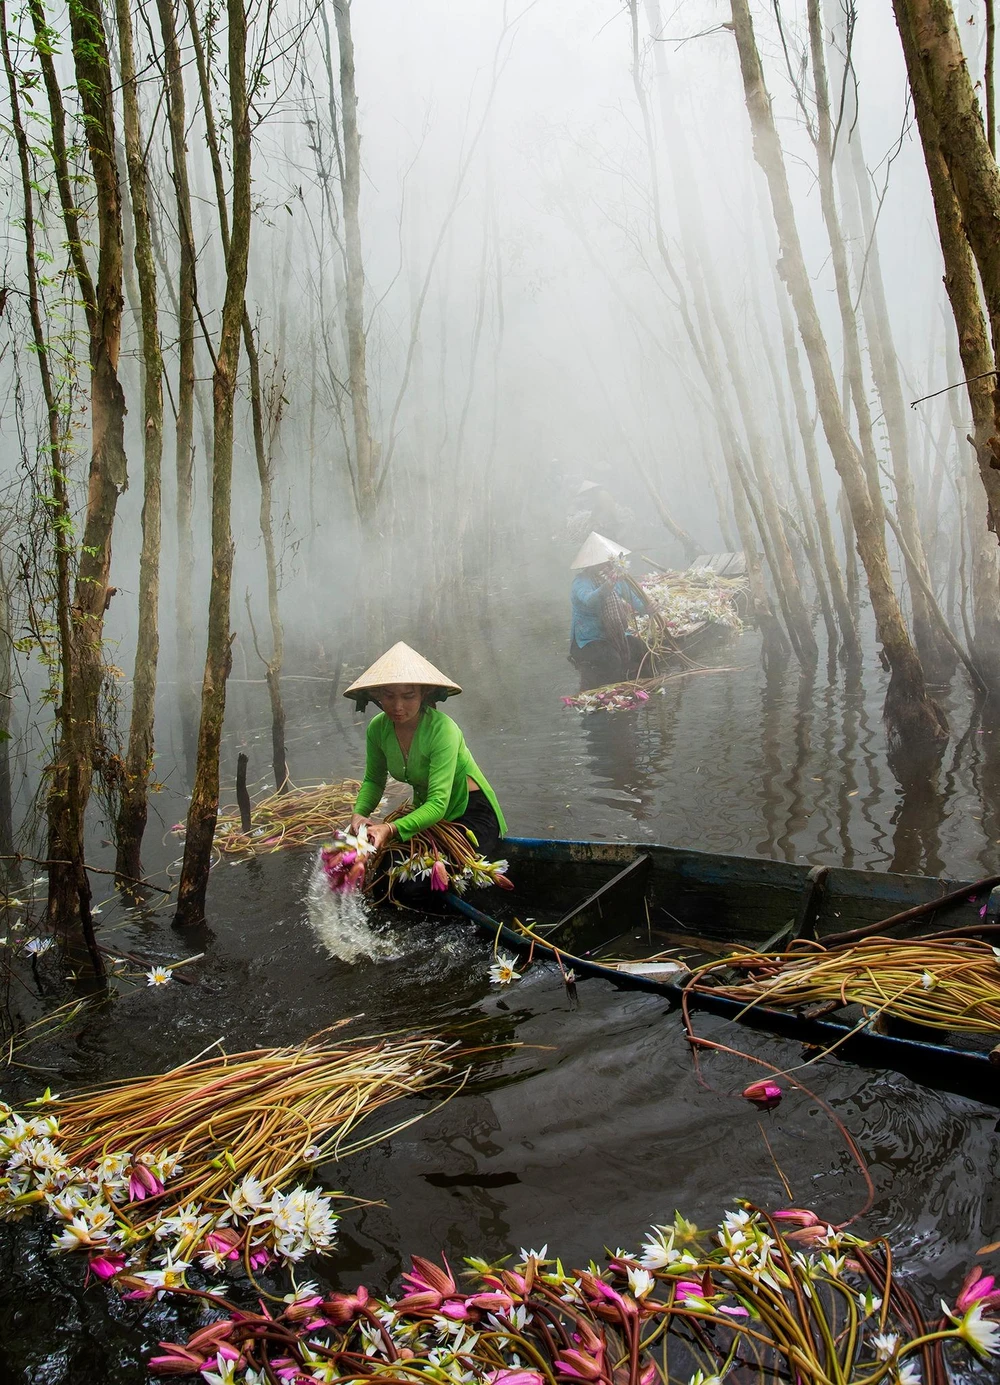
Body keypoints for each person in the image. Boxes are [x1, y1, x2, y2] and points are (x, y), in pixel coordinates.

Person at [345, 642, 506, 885]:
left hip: (471, 813)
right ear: (378, 696)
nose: (398, 706)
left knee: (428, 883)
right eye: (389, 696)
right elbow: (373, 780)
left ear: (424, 694)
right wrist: (359, 815)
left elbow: (439, 803)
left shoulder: (443, 731)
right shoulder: (378, 729)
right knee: (384, 874)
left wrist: (388, 829)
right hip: (426, 813)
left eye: (408, 696)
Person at [569, 532, 649, 686]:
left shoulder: (615, 579)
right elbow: (590, 600)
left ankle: (646, 687)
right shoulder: (581, 582)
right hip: (589, 639)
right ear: (591, 565)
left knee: (641, 649)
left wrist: (648, 608)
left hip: (615, 633)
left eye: (608, 562)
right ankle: (613, 694)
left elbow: (633, 598)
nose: (606, 566)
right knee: (612, 660)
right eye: (602, 563)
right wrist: (607, 586)